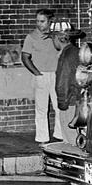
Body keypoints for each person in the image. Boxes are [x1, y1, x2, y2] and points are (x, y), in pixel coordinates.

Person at [54, 20, 88, 185]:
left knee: (72, 143)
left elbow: (65, 83)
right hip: (74, 102)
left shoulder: (67, 56)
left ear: (60, 37)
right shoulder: (74, 52)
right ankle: (75, 180)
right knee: (74, 142)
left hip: (70, 103)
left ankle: (76, 183)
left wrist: (63, 105)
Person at [21, 8, 64, 146]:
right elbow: (25, 57)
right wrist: (36, 72)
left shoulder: (56, 36)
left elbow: (64, 50)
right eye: (37, 21)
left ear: (50, 21)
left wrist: (55, 37)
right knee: (41, 108)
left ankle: (60, 135)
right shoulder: (31, 37)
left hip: (57, 74)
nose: (39, 24)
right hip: (41, 75)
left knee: (59, 106)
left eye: (42, 21)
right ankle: (42, 138)